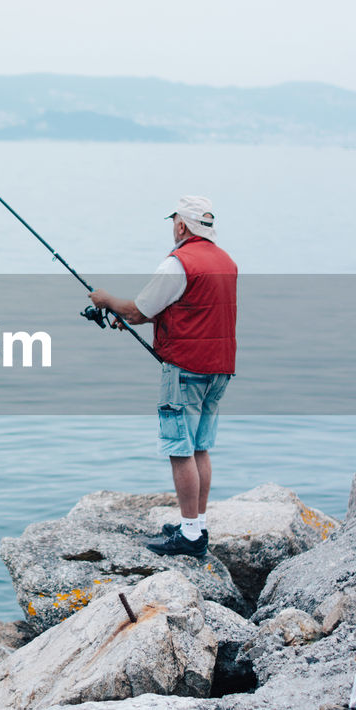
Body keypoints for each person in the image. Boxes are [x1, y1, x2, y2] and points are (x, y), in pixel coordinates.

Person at [88, 195, 237, 558]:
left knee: (180, 449)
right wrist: (158, 319)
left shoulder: (178, 263)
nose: (173, 227)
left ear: (182, 225)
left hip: (185, 369)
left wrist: (106, 300)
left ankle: (188, 536)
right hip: (220, 368)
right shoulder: (226, 262)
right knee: (200, 446)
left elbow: (137, 311)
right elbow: (193, 309)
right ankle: (196, 525)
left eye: (174, 221)